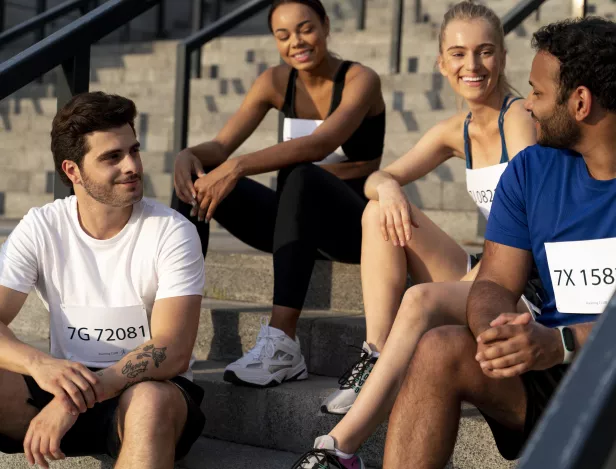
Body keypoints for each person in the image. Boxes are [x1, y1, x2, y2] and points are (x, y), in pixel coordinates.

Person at [291, 2, 539, 467]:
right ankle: (378, 354)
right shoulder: (455, 130)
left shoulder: (521, 119)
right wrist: (388, 189)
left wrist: (473, 288)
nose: (473, 66)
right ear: (442, 63)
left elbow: (530, 230)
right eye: (459, 54)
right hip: (487, 268)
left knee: (421, 299)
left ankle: (340, 448)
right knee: (376, 213)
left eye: (485, 52)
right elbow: (378, 178)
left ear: (503, 57)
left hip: (522, 280)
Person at [381, 16, 616, 468]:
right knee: (439, 349)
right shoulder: (529, 172)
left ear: (581, 102)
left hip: (589, 359)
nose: (528, 106)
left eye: (539, 93)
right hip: (552, 369)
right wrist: (495, 330)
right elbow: (492, 282)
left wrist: (564, 341)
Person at [171, 0, 385, 388]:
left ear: (325, 25)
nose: (296, 42)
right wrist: (189, 156)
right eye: (283, 35)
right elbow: (221, 146)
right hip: (294, 228)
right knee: (195, 185)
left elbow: (321, 143)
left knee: (301, 175)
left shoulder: (360, 80)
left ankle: (283, 344)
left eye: (305, 29)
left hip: (351, 229)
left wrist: (237, 167)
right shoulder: (274, 81)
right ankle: (173, 335)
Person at [0, 92, 206, 469]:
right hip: (67, 381)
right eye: (112, 157)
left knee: (151, 403)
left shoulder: (171, 232)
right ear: (72, 171)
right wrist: (39, 365)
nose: (132, 166)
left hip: (146, 393)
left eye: (134, 150)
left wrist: (70, 401)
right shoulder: (42, 227)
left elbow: (172, 349)